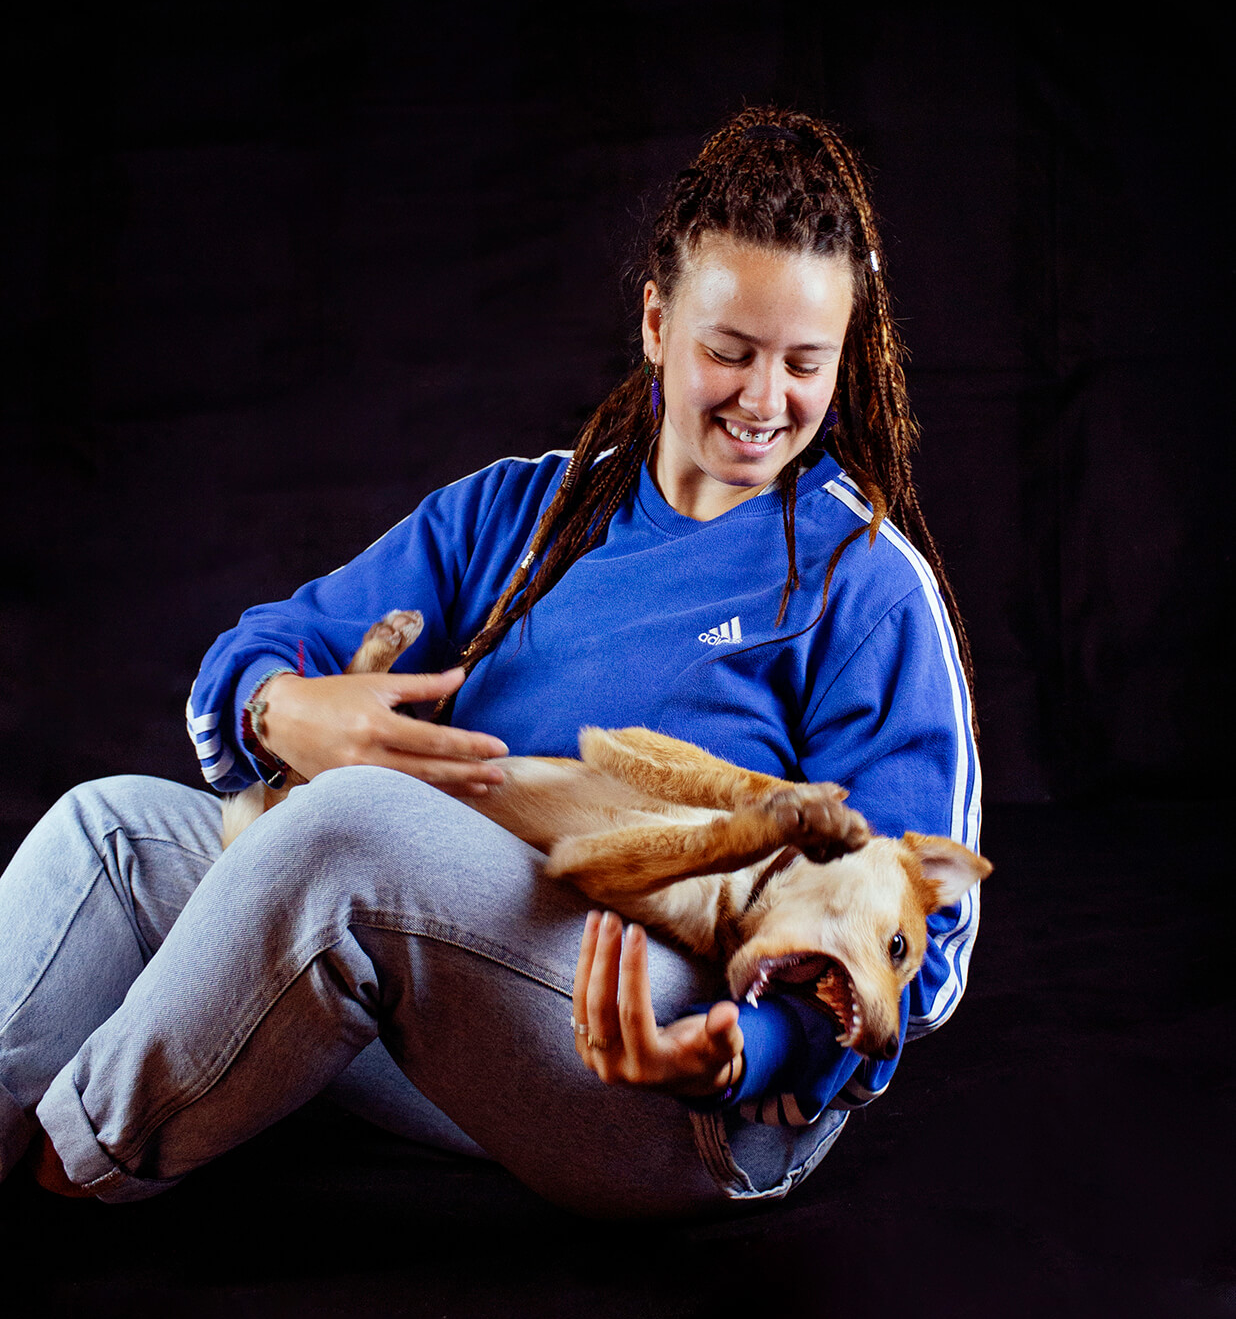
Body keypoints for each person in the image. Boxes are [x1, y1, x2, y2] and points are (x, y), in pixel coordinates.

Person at [0, 109, 981, 1219]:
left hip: (680, 1077)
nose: (766, 400)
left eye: (807, 363)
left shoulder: (863, 579)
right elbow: (261, 651)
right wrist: (280, 713)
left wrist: (751, 1049)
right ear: (658, 324)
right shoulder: (526, 512)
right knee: (113, 831)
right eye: (730, 350)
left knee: (352, 827)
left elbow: (915, 919)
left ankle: (60, 1178)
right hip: (470, 1037)